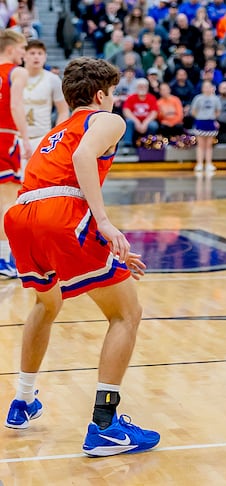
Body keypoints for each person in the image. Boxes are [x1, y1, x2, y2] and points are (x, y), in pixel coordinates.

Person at [3, 57, 160, 456]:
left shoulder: (56, 131)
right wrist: (104, 224)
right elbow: (80, 162)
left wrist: (100, 240)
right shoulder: (107, 120)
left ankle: (23, 399)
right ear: (100, 94)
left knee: (46, 302)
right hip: (61, 213)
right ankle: (105, 426)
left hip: (22, 217)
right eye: (114, 92)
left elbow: (56, 186)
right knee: (127, 313)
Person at [0, 30, 31, 279]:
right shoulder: (16, 72)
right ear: (11, 49)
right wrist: (26, 137)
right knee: (7, 202)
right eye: (23, 49)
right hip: (6, 135)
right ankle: (2, 259)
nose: (25, 54)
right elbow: (15, 105)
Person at [22, 40, 70, 179]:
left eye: (40, 53)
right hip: (17, 138)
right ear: (24, 55)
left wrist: (55, 136)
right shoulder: (14, 77)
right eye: (32, 53)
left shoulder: (53, 79)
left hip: (42, 138)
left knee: (40, 182)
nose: (36, 57)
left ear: (45, 56)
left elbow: (63, 111)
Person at [190, 80, 221, 173]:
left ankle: (208, 163)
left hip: (210, 122)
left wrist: (212, 117)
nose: (207, 89)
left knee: (209, 145)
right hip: (200, 122)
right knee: (200, 145)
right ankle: (199, 163)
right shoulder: (198, 98)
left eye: (209, 86)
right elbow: (193, 111)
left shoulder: (215, 99)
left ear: (212, 88)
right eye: (205, 87)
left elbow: (218, 111)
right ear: (202, 88)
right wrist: (200, 117)